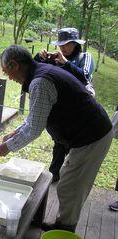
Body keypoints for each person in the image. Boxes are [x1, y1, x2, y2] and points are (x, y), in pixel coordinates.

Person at [0, 45, 112, 232]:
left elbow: (34, 129)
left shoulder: (40, 82)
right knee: (68, 180)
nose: (8, 76)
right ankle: (64, 224)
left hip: (92, 136)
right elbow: (36, 117)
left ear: (14, 64)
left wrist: (7, 147)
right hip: (89, 133)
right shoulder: (41, 73)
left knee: (71, 186)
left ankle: (65, 229)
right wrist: (15, 132)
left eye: (6, 71)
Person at [34, 28, 95, 182]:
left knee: (75, 145)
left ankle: (71, 176)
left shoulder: (85, 56)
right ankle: (54, 173)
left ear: (75, 43)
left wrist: (65, 62)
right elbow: (35, 68)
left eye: (67, 44)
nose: (63, 48)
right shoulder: (56, 57)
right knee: (59, 141)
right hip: (59, 108)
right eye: (61, 44)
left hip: (79, 109)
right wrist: (39, 58)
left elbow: (85, 76)